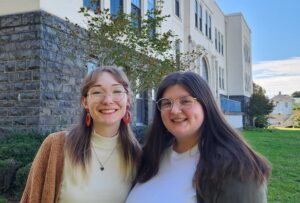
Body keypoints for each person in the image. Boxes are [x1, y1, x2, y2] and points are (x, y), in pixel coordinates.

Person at [126, 71, 271, 203]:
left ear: (205, 105)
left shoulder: (236, 168)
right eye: (166, 103)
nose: (175, 110)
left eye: (185, 101)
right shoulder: (152, 155)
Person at [21, 66, 141, 203]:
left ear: (128, 101)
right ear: (85, 102)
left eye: (117, 91)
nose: (108, 100)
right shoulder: (56, 146)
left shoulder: (138, 157)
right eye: (97, 92)